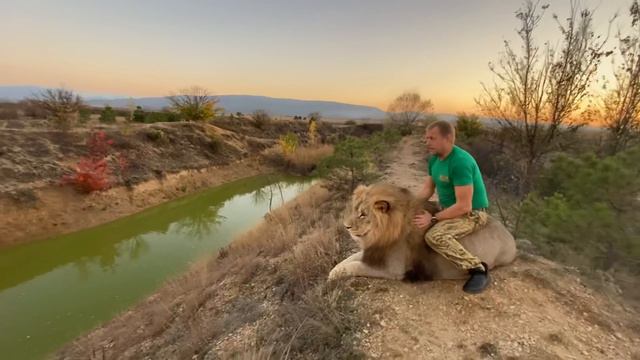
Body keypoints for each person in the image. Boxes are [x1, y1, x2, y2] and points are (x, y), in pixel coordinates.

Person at [412, 120, 491, 294]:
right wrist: (409, 205)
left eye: (432, 138)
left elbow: (464, 206)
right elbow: (427, 189)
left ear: (448, 138)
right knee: (412, 215)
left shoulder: (460, 162)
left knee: (435, 236)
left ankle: (477, 269)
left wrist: (432, 219)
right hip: (446, 207)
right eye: (426, 138)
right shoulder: (434, 160)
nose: (427, 142)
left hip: (471, 213)